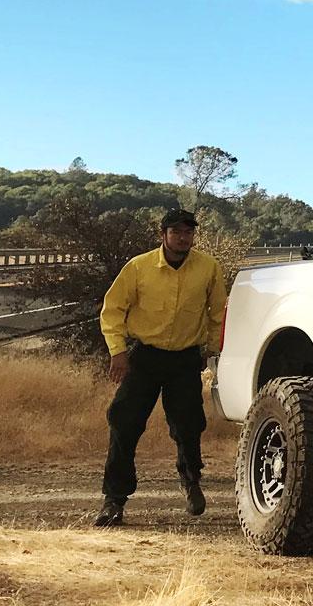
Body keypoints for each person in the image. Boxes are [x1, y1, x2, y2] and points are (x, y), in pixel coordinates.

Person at [93, 208, 228, 527]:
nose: (183, 238)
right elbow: (112, 311)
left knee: (189, 425)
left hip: (184, 359)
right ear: (162, 235)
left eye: (188, 233)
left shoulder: (208, 267)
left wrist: (210, 347)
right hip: (144, 357)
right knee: (123, 422)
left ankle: (191, 480)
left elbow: (217, 311)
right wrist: (118, 352)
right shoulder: (138, 267)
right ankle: (114, 500)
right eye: (177, 232)